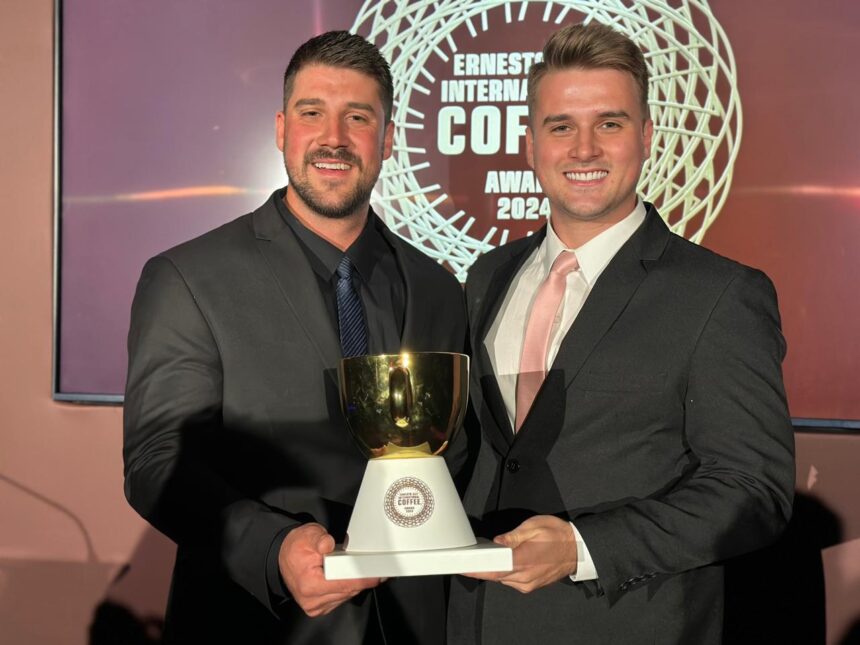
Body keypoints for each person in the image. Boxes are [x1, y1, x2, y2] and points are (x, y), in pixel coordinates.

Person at [448, 22, 795, 645]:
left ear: (647, 137)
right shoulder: (486, 276)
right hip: (475, 623)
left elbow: (752, 491)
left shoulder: (719, 294)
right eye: (561, 127)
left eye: (609, 124)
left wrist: (583, 547)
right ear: (530, 145)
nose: (584, 149)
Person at [123, 31, 466, 645]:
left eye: (357, 117)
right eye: (313, 113)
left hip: (417, 627)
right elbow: (158, 464)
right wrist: (274, 547)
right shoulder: (188, 278)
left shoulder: (439, 290)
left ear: (386, 140)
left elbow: (457, 457)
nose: (333, 137)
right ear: (283, 129)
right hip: (259, 622)